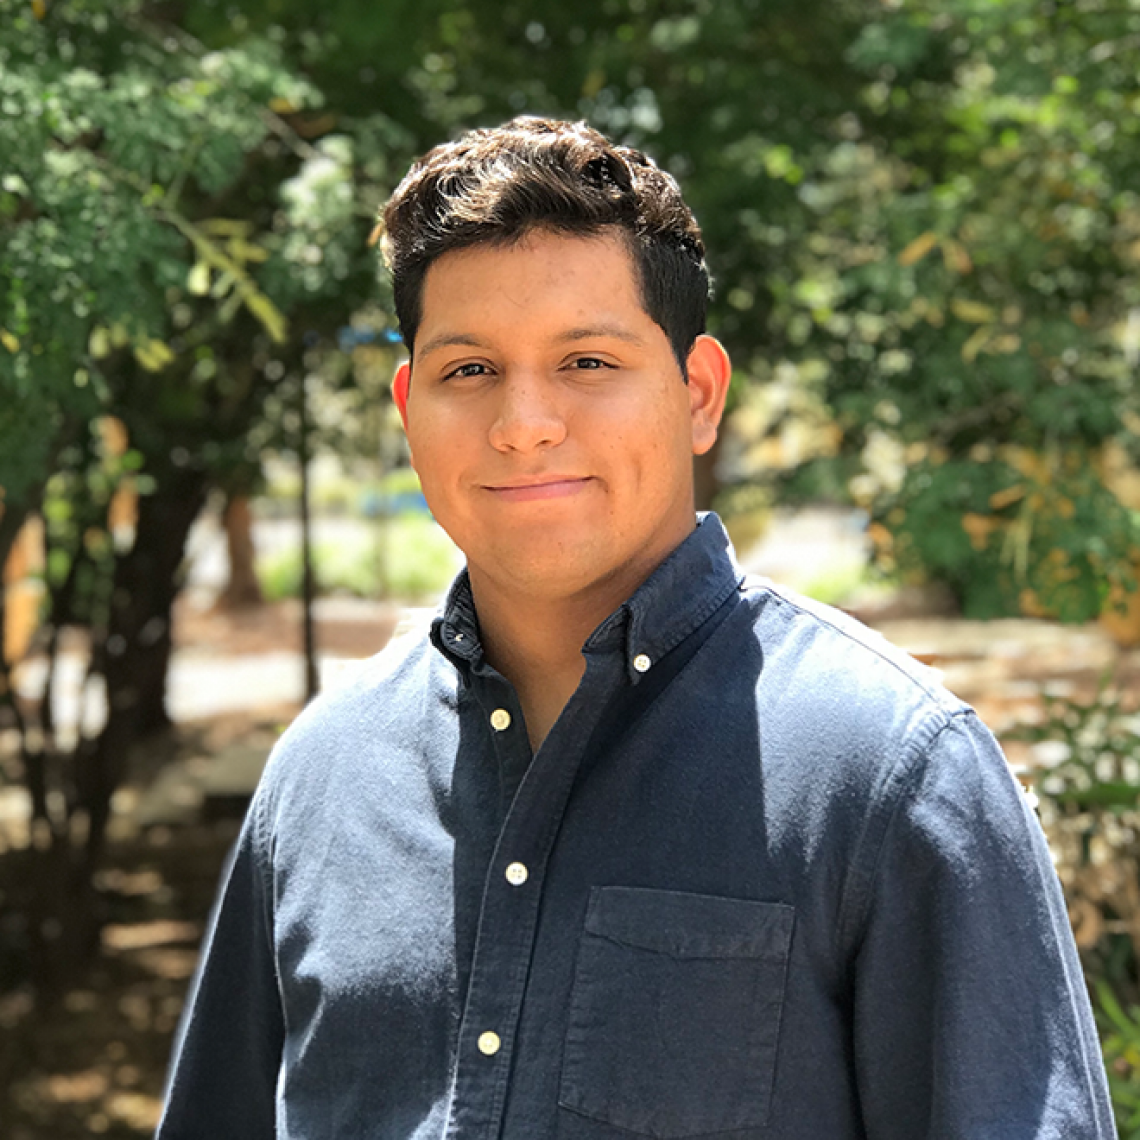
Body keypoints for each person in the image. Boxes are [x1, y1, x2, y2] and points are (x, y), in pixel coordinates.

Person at [157, 117, 1114, 1139]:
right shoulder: (321, 776)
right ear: (408, 407)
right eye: (469, 370)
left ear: (698, 396)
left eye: (588, 361)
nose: (524, 422)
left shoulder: (891, 775)